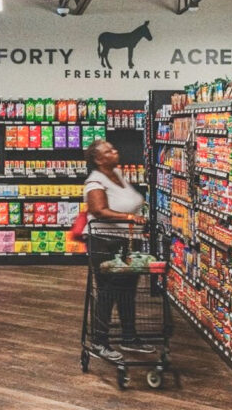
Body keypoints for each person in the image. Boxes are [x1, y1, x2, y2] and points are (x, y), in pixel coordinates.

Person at [72, 140, 154, 362]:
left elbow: (128, 201)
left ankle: (129, 336)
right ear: (99, 159)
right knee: (108, 291)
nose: (115, 151)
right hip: (105, 243)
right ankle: (99, 341)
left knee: (128, 289)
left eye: (113, 148)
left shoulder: (117, 173)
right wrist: (129, 218)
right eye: (109, 151)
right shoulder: (95, 181)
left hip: (128, 242)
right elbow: (98, 210)